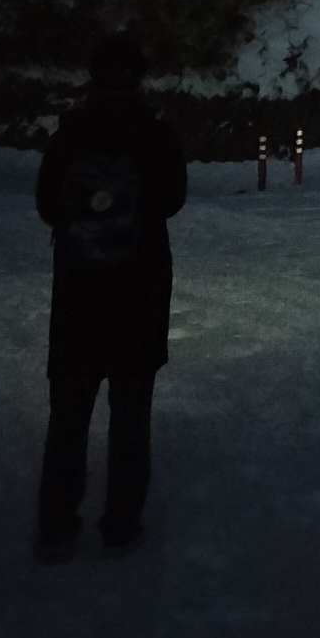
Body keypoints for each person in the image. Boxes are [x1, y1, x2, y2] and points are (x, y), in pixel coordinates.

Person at [33, 31, 187, 562]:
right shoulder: (155, 135)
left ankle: (56, 529)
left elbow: (46, 206)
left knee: (68, 418)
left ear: (92, 79)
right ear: (140, 79)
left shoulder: (71, 134)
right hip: (139, 297)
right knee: (130, 418)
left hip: (79, 297)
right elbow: (172, 200)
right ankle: (121, 527)